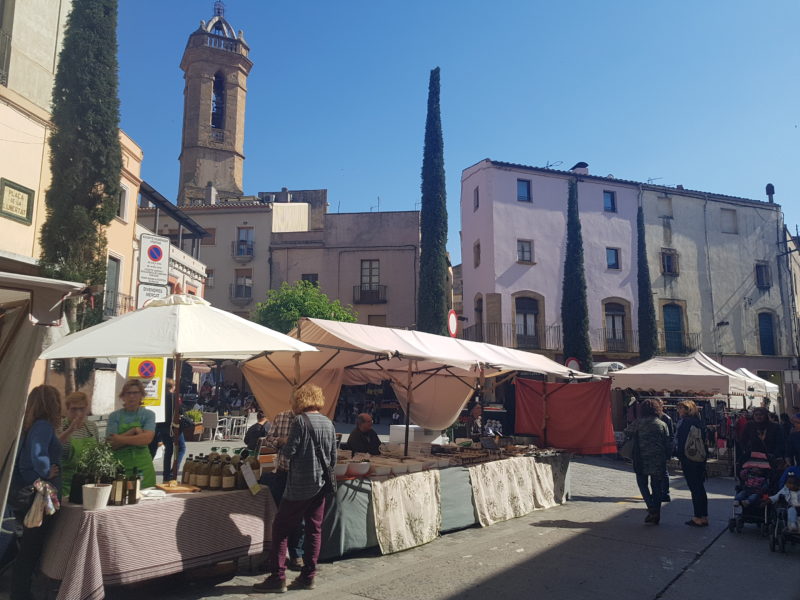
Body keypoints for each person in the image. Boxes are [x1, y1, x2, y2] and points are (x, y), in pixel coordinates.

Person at [255, 384, 336, 593]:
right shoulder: (328, 422)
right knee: (314, 529)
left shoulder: (300, 421)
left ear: (300, 400)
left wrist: (280, 458)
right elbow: (333, 458)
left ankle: (277, 577)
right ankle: (309, 576)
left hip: (299, 484)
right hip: (321, 485)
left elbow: (290, 451)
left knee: (280, 528)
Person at [11, 385, 63, 600]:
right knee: (31, 550)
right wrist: (46, 470)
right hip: (37, 495)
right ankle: (22, 594)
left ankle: (21, 592)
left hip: (27, 492)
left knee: (27, 549)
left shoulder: (30, 425)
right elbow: (38, 455)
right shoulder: (43, 425)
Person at [263, 407, 305, 572]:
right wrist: (279, 441)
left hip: (301, 475)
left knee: (299, 518)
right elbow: (268, 439)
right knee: (280, 515)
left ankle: (296, 554)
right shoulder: (281, 416)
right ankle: (278, 555)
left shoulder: (308, 419)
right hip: (282, 472)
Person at [625, 398, 670, 525]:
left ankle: (651, 508)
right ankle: (656, 513)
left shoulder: (639, 422)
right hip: (658, 459)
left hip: (641, 459)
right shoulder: (662, 424)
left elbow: (626, 432)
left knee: (642, 483)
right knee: (656, 487)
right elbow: (667, 442)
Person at [107, 379, 157, 488]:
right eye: (128, 393)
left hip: (143, 466)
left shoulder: (148, 415)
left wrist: (119, 438)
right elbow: (111, 444)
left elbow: (147, 439)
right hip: (120, 467)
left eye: (135, 393)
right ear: (123, 396)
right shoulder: (114, 416)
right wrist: (133, 431)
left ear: (141, 395)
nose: (132, 396)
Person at [58, 391, 99, 497]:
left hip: (87, 483)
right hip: (64, 485)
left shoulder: (92, 427)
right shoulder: (59, 427)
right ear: (67, 409)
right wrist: (70, 430)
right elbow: (54, 447)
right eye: (74, 409)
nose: (78, 413)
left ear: (87, 409)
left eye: (81, 409)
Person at [676, 400, 709, 527]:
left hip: (689, 458)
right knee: (700, 487)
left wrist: (679, 456)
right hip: (700, 457)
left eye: (680, 409)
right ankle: (704, 516)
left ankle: (697, 517)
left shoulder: (685, 423)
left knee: (694, 488)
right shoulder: (699, 422)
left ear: (687, 409)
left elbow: (682, 442)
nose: (678, 411)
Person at [149, 379, 186, 482]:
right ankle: (172, 473)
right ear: (172, 387)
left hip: (161, 427)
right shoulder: (174, 397)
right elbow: (181, 410)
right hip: (174, 427)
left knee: (168, 450)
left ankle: (166, 476)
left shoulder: (160, 398)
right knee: (181, 448)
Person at [656, 399, 675, 502]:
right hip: (654, 449)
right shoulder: (652, 418)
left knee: (663, 472)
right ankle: (658, 492)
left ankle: (665, 493)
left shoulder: (666, 418)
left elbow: (671, 436)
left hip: (662, 449)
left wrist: (668, 451)